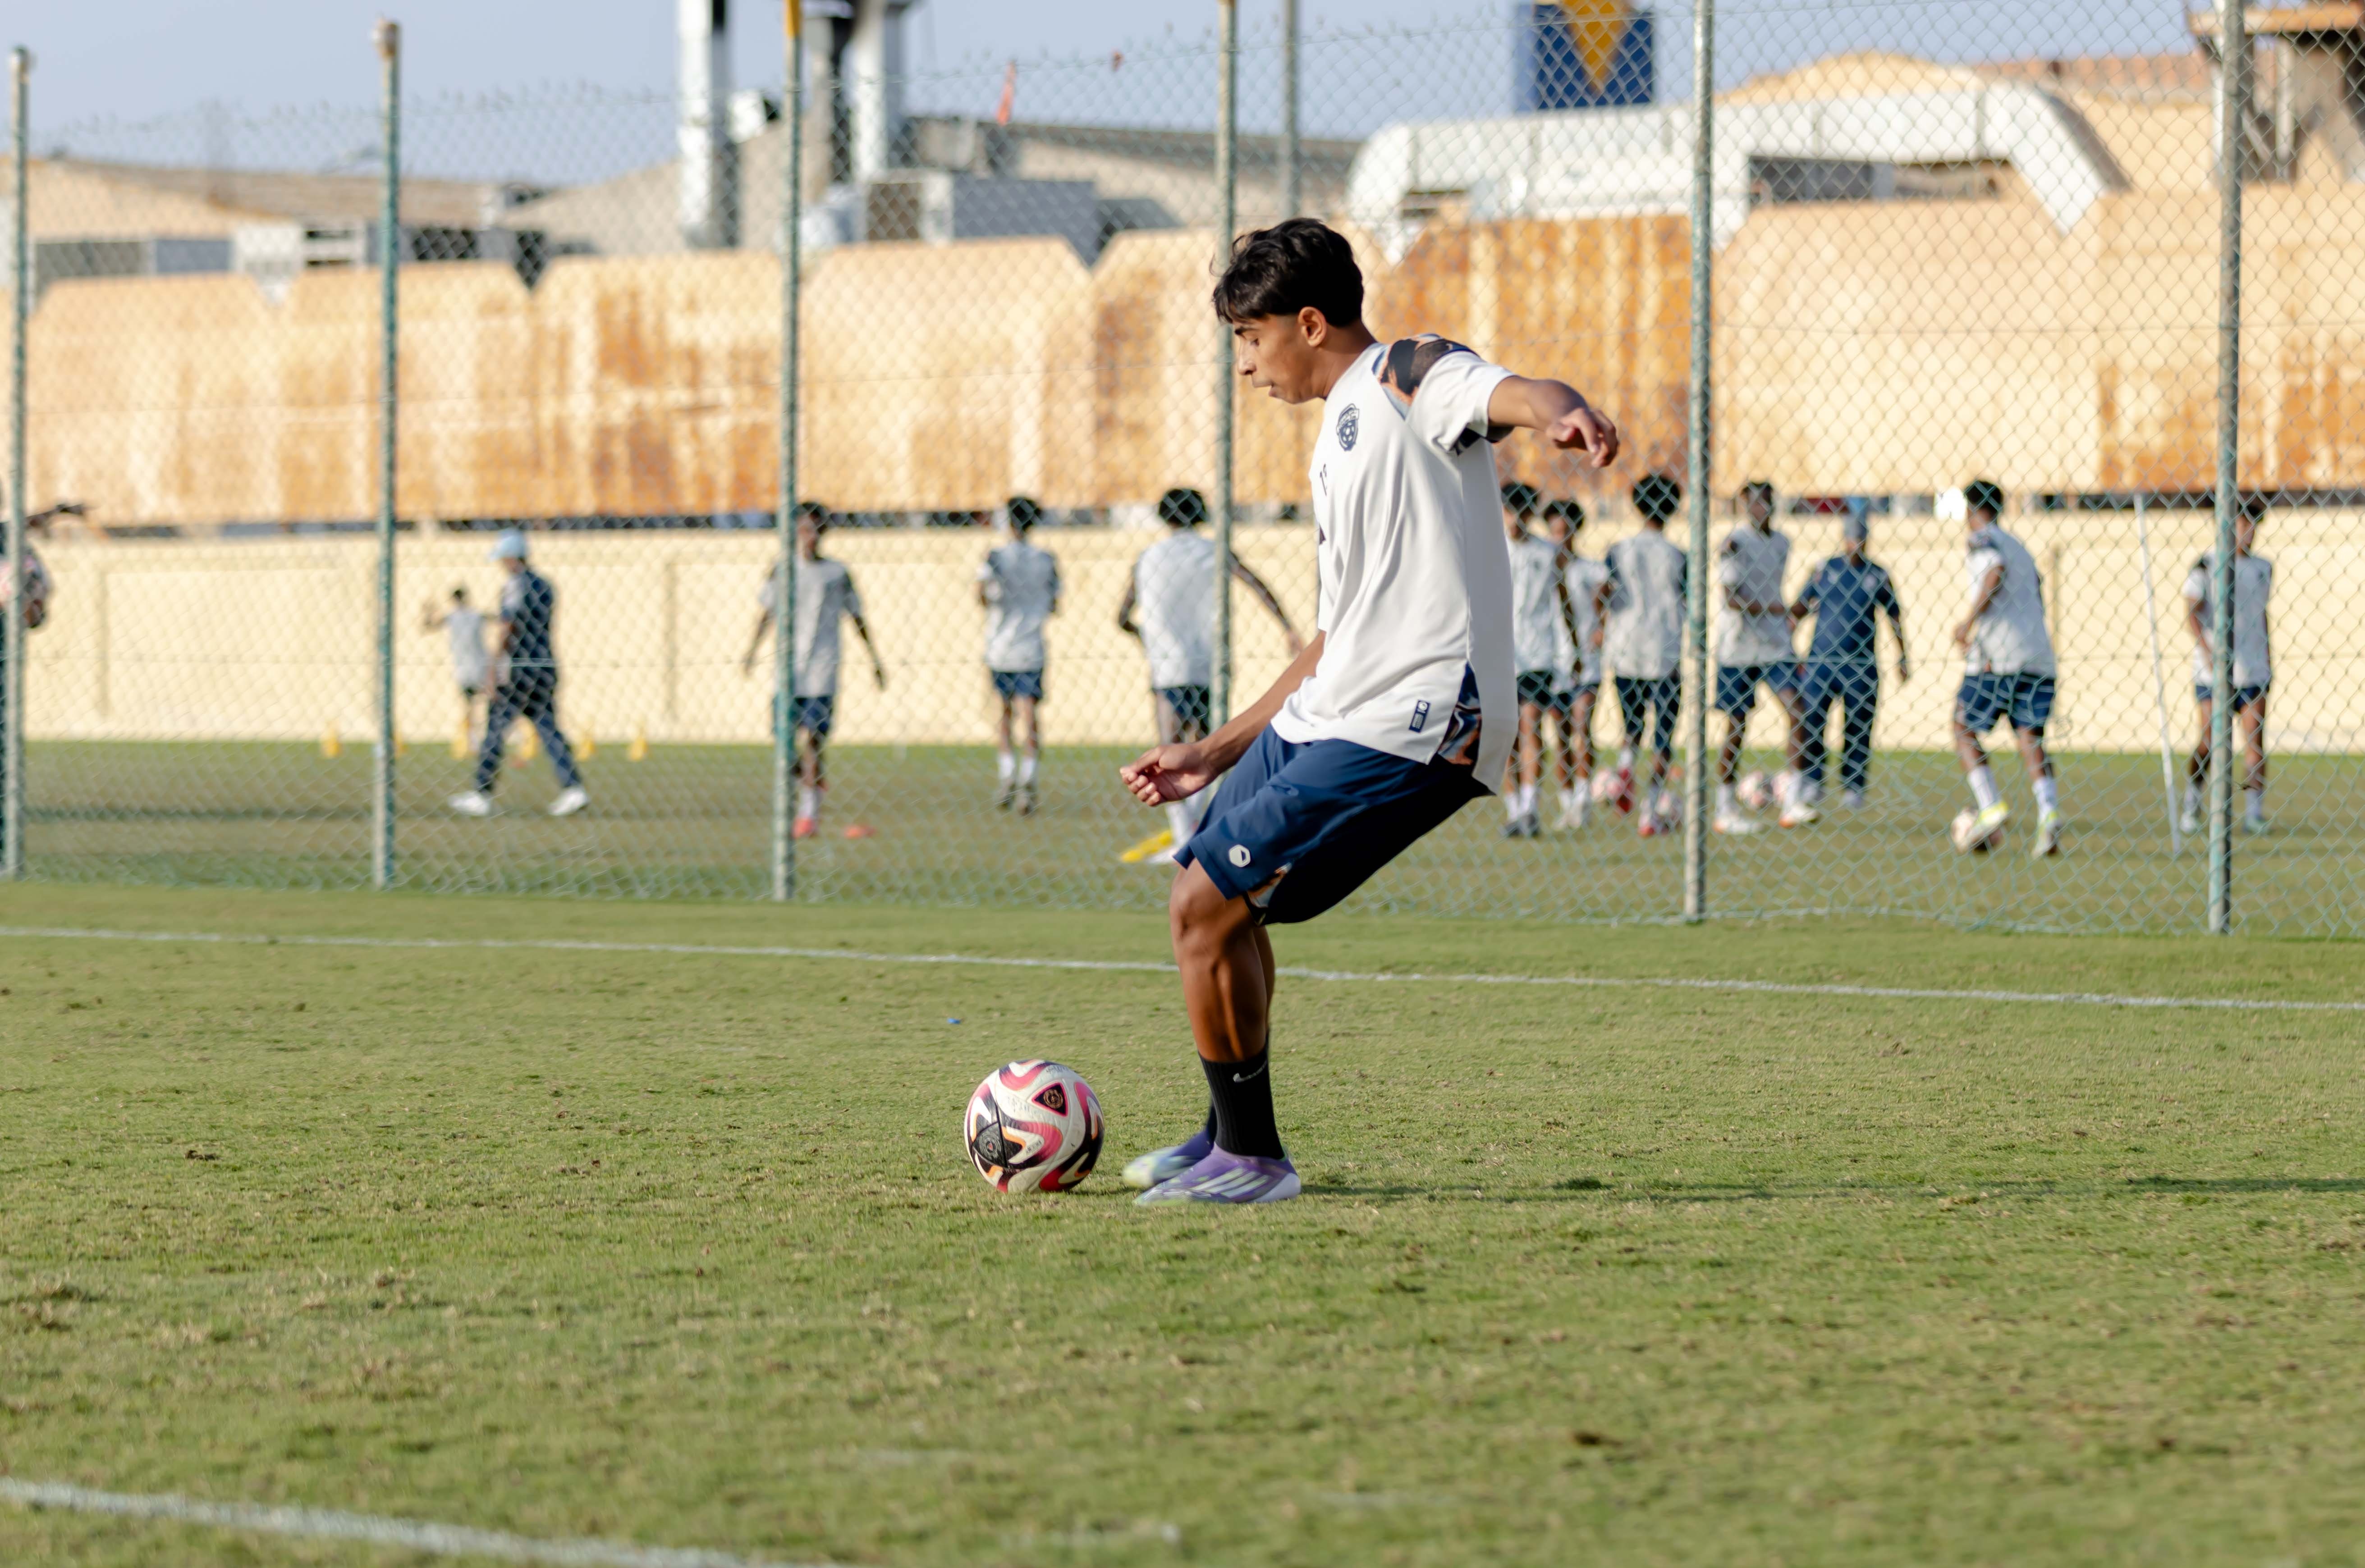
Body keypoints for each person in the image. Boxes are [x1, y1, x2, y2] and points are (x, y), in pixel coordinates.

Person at [1115, 217, 1619, 1205]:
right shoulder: (1334, 437)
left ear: (1309, 322)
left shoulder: (1402, 373)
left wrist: (1565, 411)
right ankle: (1230, 1132)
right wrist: (1215, 750)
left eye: (1250, 339)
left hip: (1424, 713)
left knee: (1205, 899)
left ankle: (1256, 1159)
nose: (1245, 364)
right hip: (1334, 705)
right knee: (1205, 892)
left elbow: (1509, 391)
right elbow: (1333, 633)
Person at [1116, 486, 1302, 861]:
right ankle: (1196, 832)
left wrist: (1145, 637)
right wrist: (1287, 626)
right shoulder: (1214, 552)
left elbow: (1121, 617)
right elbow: (1256, 584)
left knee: (1167, 744)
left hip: (1166, 665)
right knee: (1204, 746)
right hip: (1208, 662)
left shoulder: (1147, 557)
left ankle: (1183, 836)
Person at [741, 501, 888, 840]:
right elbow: (766, 611)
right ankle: (809, 780)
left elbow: (857, 617)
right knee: (783, 737)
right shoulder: (782, 570)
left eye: (815, 530)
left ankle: (809, 815)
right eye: (804, 530)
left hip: (823, 665)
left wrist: (874, 660)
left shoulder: (837, 573)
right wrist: (751, 651)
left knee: (814, 740)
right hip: (788, 667)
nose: (810, 537)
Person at [1949, 480, 2061, 858]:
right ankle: (2049, 815)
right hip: (2038, 654)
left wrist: (1968, 622)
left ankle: (1992, 805)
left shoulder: (1983, 540)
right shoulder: (2021, 547)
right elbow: (2038, 587)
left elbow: (1993, 573)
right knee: (2030, 735)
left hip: (1998, 657)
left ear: (1970, 510)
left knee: (1962, 725)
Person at [449, 529, 587, 818]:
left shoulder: (515, 586)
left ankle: (481, 792)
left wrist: (493, 668)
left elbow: (508, 626)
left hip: (519, 669)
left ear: (512, 558)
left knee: (496, 728)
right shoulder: (546, 585)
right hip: (544, 664)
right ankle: (573, 788)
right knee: (549, 728)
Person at [1712, 480, 1814, 834]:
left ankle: (1793, 800)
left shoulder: (1783, 543)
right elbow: (1731, 598)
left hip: (1774, 645)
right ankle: (1724, 807)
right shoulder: (1734, 544)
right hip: (1738, 646)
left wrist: (1790, 613)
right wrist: (1775, 609)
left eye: (1763, 503)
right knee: (1736, 726)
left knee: (1797, 710)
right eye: (1751, 504)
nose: (1758, 509)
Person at [1791, 507, 1908, 810]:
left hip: (1861, 664)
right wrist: (1787, 642)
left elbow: (1894, 617)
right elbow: (1800, 608)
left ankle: (1853, 786)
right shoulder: (1825, 569)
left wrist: (1903, 655)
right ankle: (1812, 781)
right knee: (1813, 720)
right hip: (1821, 662)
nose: (1856, 544)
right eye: (1851, 538)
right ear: (1843, 539)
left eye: (1861, 539)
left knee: (1858, 725)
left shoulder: (1877, 575)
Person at [2181, 494, 2273, 835]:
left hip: (2253, 670)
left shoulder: (2263, 567)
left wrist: (2268, 658)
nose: (2248, 532)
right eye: (2242, 523)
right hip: (2214, 673)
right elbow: (2191, 610)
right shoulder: (2206, 564)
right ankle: (2193, 802)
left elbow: (2261, 615)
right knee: (2208, 740)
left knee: (2254, 742)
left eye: (2253, 524)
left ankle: (2253, 811)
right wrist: (2207, 650)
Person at [1603, 472, 1687, 837]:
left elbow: (1604, 595)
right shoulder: (1678, 556)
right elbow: (1688, 601)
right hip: (1664, 651)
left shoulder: (1618, 551)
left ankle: (1624, 768)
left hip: (1626, 648)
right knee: (1663, 736)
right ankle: (1649, 812)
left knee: (1631, 726)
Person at [1501, 481, 1577, 838]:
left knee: (1531, 723)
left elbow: (1564, 603)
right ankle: (1514, 809)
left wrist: (1573, 648)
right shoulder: (1489, 550)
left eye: (1522, 511)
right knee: (1505, 735)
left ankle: (1531, 808)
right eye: (1509, 509)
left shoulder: (1548, 553)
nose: (1516, 518)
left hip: (1536, 654)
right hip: (1498, 655)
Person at [979, 497, 1062, 816]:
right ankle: (1029, 780)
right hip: (1032, 647)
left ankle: (1006, 776)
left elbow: (982, 595)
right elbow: (1056, 603)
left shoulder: (995, 557)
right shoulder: (1046, 559)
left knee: (1003, 715)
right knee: (1030, 715)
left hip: (1000, 647)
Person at [1544, 498, 1610, 829]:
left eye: (1565, 531)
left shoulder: (1591, 569)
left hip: (1585, 661)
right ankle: (1566, 801)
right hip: (1553, 663)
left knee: (1583, 726)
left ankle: (1584, 798)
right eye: (1555, 531)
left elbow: (1605, 604)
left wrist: (1600, 629)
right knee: (1561, 734)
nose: (1560, 538)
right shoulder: (1541, 572)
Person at [420, 585, 490, 750]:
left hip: (470, 667)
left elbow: (428, 626)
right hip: (477, 666)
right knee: (477, 703)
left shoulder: (459, 616)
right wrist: (429, 611)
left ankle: (475, 739)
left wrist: (428, 611)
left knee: (470, 705)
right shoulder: (471, 615)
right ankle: (475, 738)